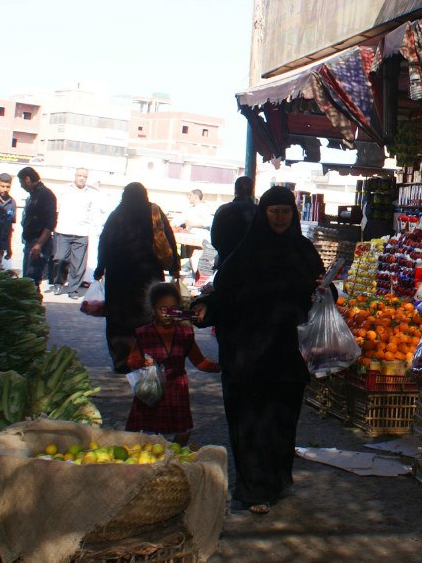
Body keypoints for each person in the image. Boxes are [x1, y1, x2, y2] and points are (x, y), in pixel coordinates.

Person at [192, 186, 324, 514]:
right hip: (247, 354)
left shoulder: (304, 251)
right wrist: (206, 307)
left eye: (285, 212)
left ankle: (277, 479)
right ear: (263, 213)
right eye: (273, 211)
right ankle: (252, 488)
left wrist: (327, 293)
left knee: (282, 419)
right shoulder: (245, 252)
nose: (280, 218)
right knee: (249, 419)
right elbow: (222, 292)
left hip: (288, 354)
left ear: (293, 215)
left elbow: (320, 289)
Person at [94, 183, 179, 373]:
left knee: (119, 318)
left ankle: (122, 361)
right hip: (148, 274)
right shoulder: (154, 212)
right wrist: (174, 266)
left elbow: (104, 242)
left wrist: (100, 268)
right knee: (147, 315)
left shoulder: (117, 215)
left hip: (119, 275)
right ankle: (147, 357)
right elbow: (168, 238)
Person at [124, 282, 218, 444]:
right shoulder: (144, 333)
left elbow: (200, 362)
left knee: (182, 433)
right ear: (153, 309)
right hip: (152, 390)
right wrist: (142, 363)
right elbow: (131, 360)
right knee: (147, 434)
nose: (168, 314)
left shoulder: (185, 334)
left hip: (177, 391)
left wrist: (223, 367)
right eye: (163, 309)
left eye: (173, 309)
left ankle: (173, 458)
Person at [49, 168, 101, 297]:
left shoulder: (91, 194)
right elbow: (56, 209)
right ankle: (58, 284)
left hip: (81, 233)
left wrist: (94, 230)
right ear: (75, 176)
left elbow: (94, 214)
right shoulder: (64, 190)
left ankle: (73, 289)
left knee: (78, 265)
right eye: (79, 175)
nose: (81, 178)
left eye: (84, 176)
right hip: (63, 231)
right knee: (60, 259)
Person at [16, 166, 57, 290]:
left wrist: (39, 244)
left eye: (21, 182)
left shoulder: (45, 195)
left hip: (38, 243)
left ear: (27, 179)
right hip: (31, 242)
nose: (21, 186)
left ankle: (34, 306)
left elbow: (50, 223)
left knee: (32, 280)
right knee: (27, 280)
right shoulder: (33, 195)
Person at [208, 176, 256, 272]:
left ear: (235, 190)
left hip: (226, 263)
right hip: (253, 266)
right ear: (251, 190)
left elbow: (214, 240)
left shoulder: (223, 209)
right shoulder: (259, 211)